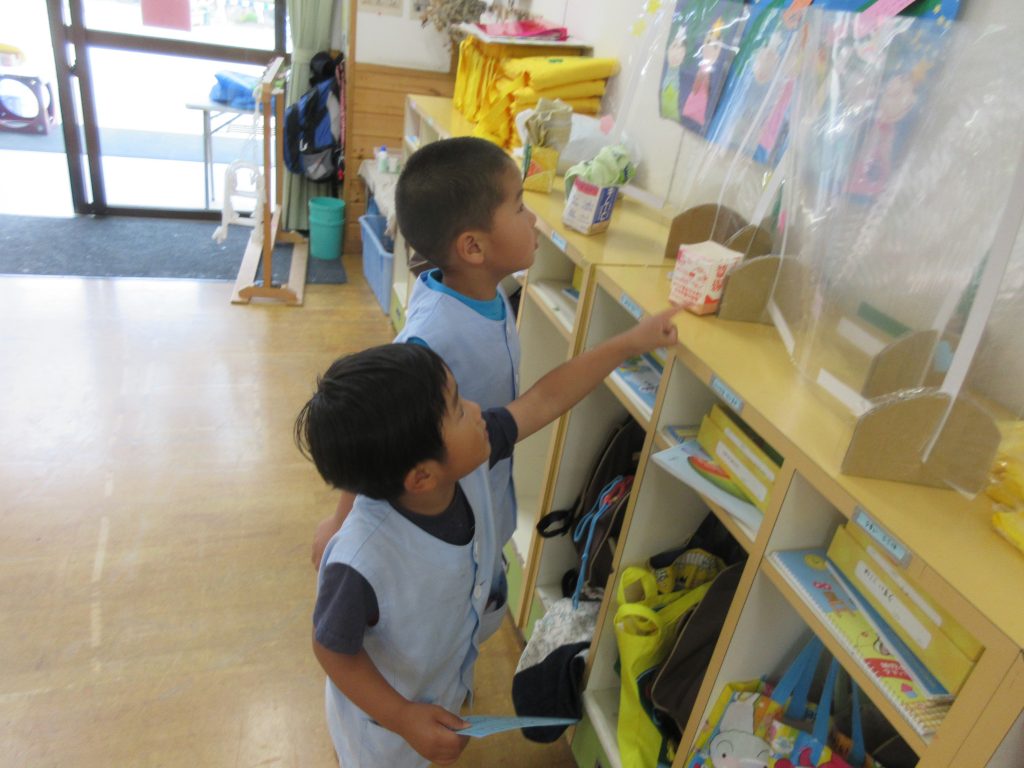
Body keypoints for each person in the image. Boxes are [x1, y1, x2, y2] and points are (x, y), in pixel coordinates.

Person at [296, 307, 680, 767]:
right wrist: (402, 717)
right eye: (459, 409)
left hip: (437, 686)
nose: (478, 410)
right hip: (383, 734)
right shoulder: (361, 560)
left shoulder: (462, 462)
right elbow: (332, 649)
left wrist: (627, 343)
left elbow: (544, 400)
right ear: (421, 477)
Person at [311, 136, 537, 570]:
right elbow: (376, 419)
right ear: (473, 247)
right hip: (449, 529)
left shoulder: (487, 292)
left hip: (486, 498)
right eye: (520, 207)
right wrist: (340, 522)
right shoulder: (432, 335)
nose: (532, 219)